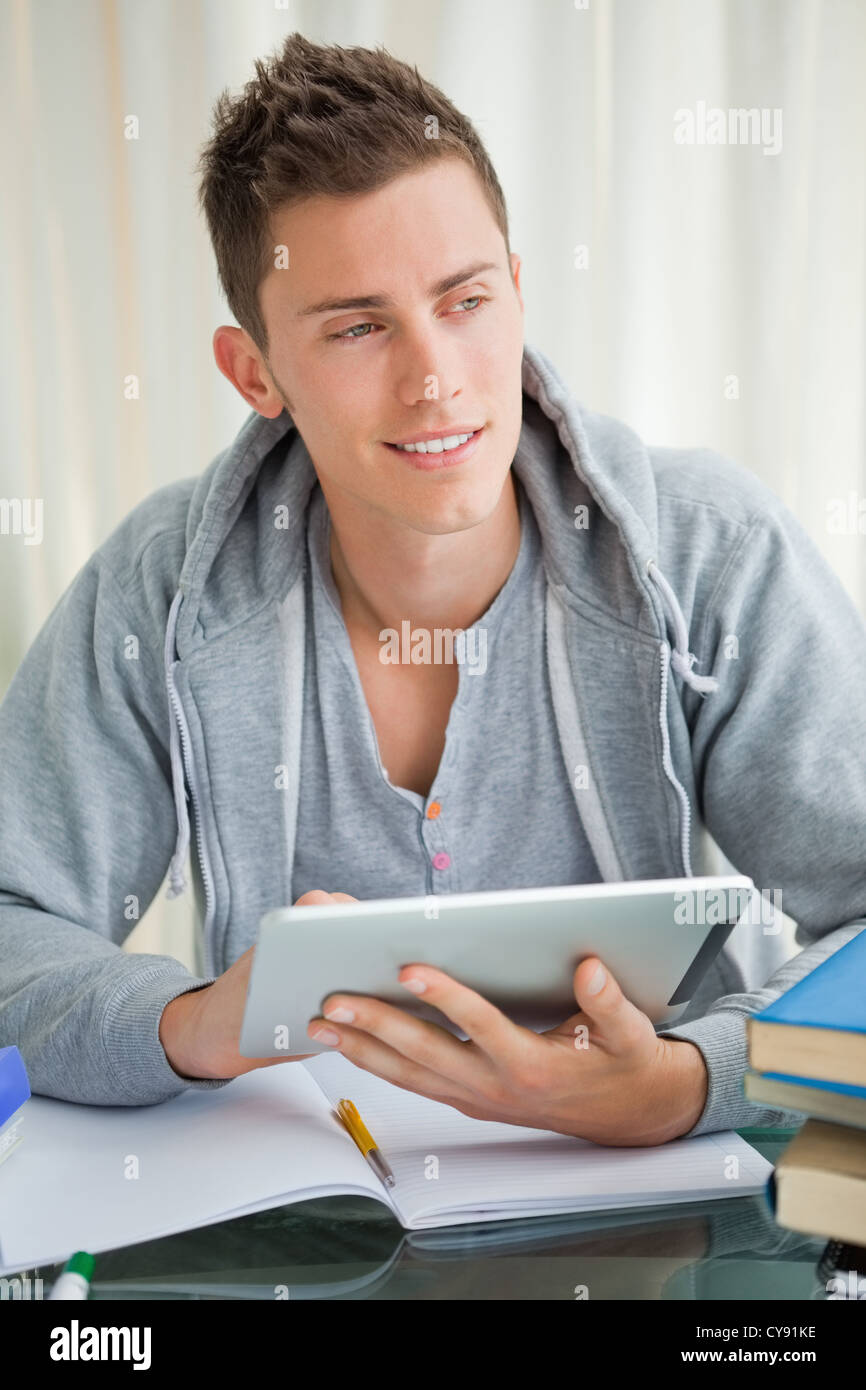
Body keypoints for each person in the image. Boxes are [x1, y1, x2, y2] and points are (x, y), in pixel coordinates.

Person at [1, 33, 864, 1145]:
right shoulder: (159, 587)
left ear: (515, 289)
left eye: (463, 301)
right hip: (314, 1219)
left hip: (668, 1214)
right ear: (253, 371)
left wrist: (694, 1081)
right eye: (358, 327)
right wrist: (184, 1023)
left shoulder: (711, 546)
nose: (432, 378)